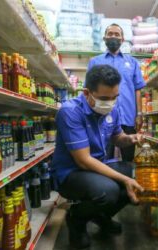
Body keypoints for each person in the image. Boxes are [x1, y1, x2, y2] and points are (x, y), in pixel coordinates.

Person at [51, 65, 144, 249]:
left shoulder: (113, 109)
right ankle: (76, 220)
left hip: (98, 167)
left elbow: (117, 138)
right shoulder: (70, 112)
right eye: (104, 98)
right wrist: (124, 179)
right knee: (108, 191)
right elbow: (83, 160)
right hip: (71, 174)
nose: (110, 103)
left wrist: (130, 138)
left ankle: (101, 217)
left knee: (138, 174)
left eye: (114, 97)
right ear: (87, 93)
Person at [87, 23, 145, 161]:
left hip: (128, 115)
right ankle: (104, 181)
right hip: (102, 115)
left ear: (122, 39)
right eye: (110, 34)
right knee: (103, 155)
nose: (113, 37)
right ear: (104, 38)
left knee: (128, 156)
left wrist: (139, 114)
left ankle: (126, 180)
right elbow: (89, 90)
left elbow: (138, 89)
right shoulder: (95, 61)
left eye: (117, 34)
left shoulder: (132, 63)